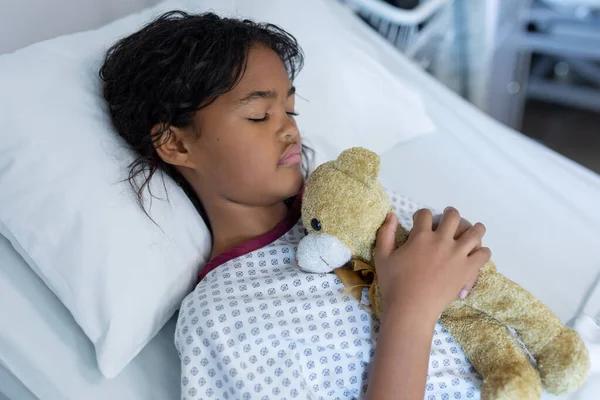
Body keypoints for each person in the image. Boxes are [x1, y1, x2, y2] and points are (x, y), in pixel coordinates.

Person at [100, 11, 491, 399]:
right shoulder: (226, 318)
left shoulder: (351, 203)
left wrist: (454, 252)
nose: (290, 129)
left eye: (290, 110)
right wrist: (412, 309)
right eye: (258, 116)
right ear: (177, 144)